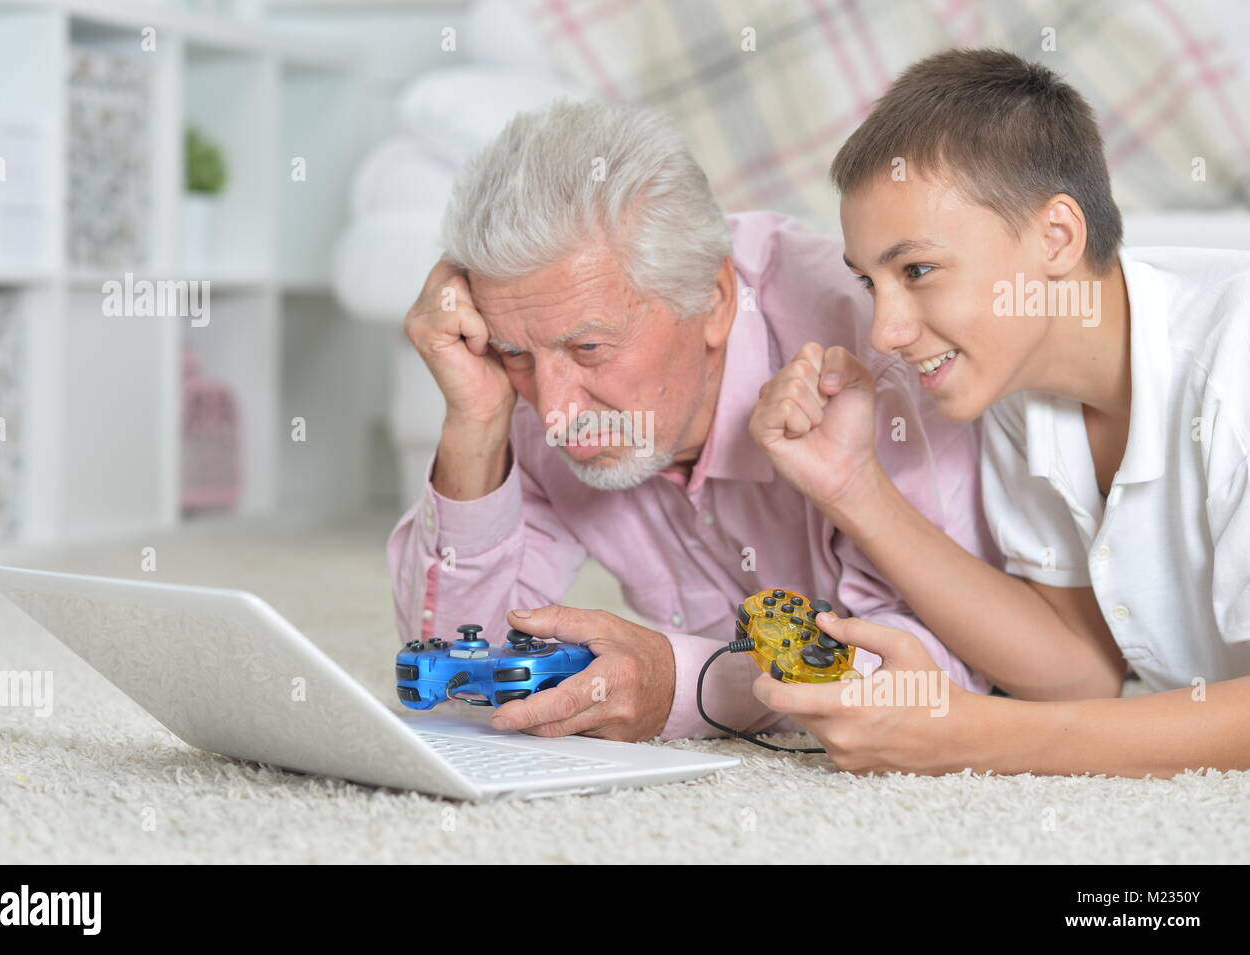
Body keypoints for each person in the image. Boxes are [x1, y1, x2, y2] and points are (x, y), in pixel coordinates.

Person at [387, 99, 1000, 741]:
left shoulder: (883, 347)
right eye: (514, 353)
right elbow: (460, 677)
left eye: (590, 348)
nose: (555, 409)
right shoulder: (536, 356)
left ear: (713, 298)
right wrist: (477, 423)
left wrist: (687, 683)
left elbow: (939, 671)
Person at [752, 48, 1250, 777]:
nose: (885, 331)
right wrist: (851, 487)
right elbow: (1080, 672)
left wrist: (976, 736)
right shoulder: (1020, 381)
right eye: (870, 283)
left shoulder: (1233, 366)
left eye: (916, 270)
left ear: (1056, 237)